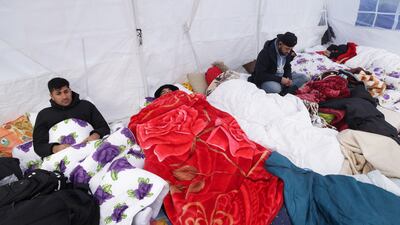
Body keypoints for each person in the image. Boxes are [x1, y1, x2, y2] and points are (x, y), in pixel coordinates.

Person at [33, 77, 110, 157]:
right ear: (52, 96)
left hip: (93, 151)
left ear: (70, 90)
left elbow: (104, 127)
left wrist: (96, 135)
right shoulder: (44, 115)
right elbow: (38, 146)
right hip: (63, 157)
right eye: (58, 93)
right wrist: (55, 148)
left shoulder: (86, 106)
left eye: (66, 91)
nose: (64, 97)